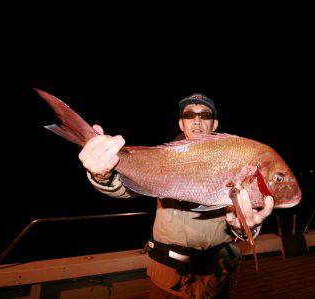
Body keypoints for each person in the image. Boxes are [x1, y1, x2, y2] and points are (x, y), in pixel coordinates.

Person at [78, 93, 274, 298]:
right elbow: (126, 189)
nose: (197, 121)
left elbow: (241, 217)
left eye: (205, 115)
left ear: (215, 124)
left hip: (218, 275)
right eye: (189, 115)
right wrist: (102, 174)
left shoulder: (233, 160)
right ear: (181, 124)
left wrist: (244, 226)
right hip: (168, 276)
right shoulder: (164, 158)